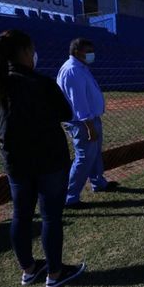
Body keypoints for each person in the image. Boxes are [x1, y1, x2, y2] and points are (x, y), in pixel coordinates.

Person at [0, 29, 85, 287]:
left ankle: (28, 270)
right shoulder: (40, 83)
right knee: (50, 217)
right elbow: (66, 111)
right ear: (26, 53)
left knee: (21, 214)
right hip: (48, 161)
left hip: (16, 163)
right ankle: (55, 274)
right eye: (32, 50)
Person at [57, 38, 117, 208]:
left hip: (90, 119)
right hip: (82, 122)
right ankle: (70, 197)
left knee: (95, 153)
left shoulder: (81, 67)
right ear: (77, 52)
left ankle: (98, 183)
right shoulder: (72, 71)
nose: (92, 54)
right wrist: (89, 126)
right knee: (83, 158)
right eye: (88, 51)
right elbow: (79, 103)